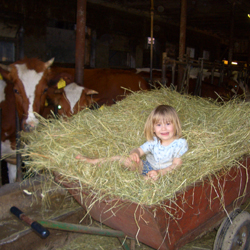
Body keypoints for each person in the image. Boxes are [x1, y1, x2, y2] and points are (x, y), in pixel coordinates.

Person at [76, 105, 188, 181]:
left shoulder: (179, 144)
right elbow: (139, 150)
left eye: (168, 124)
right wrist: (134, 153)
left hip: (163, 174)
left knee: (150, 182)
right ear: (153, 128)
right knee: (123, 159)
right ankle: (94, 162)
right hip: (146, 166)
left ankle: (135, 183)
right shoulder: (154, 141)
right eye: (159, 125)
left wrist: (159, 173)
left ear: (176, 125)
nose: (163, 128)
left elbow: (176, 166)